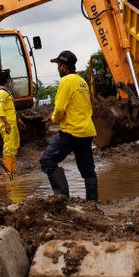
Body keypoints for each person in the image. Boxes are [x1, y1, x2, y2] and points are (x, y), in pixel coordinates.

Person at [39, 50, 98, 201]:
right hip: (86, 131)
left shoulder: (65, 81)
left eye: (58, 65)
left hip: (72, 131)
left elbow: (59, 109)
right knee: (88, 170)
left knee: (47, 159)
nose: (57, 68)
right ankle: (93, 203)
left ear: (64, 67)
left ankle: (62, 198)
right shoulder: (82, 81)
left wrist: (53, 119)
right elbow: (78, 106)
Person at [0, 69, 20, 174]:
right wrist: (6, 124)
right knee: (9, 147)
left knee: (14, 146)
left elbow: (11, 109)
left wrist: (18, 120)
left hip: (12, 123)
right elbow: (0, 110)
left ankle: (12, 171)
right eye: (9, 78)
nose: (10, 80)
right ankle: (8, 173)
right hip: (8, 125)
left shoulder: (7, 93)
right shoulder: (1, 93)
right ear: (7, 80)